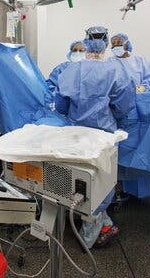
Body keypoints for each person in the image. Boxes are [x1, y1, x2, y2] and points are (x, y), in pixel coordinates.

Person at [55, 26, 135, 248]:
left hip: (75, 133)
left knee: (76, 175)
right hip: (103, 133)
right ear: (107, 44)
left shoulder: (70, 70)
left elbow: (61, 105)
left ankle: (84, 217)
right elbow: (124, 106)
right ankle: (91, 231)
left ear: (86, 42)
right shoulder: (116, 71)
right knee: (101, 179)